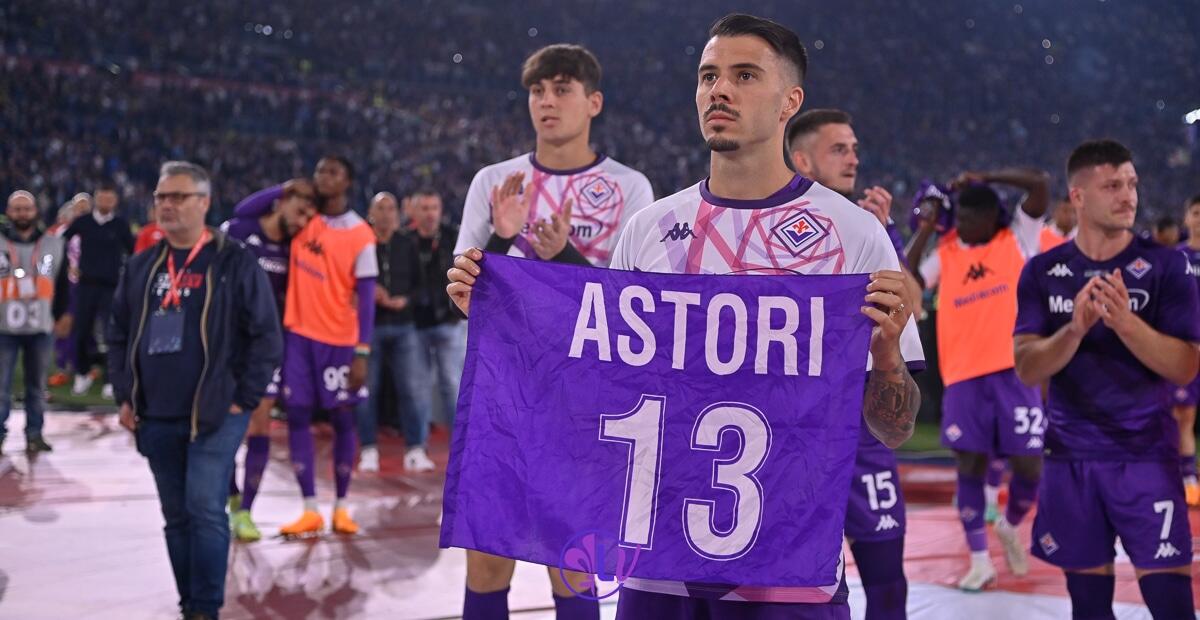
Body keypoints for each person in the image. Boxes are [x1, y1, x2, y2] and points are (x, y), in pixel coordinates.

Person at [449, 14, 924, 618]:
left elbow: (895, 428)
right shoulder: (648, 234)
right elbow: (597, 388)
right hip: (660, 565)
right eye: (708, 76)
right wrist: (507, 318)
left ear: (789, 102)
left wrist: (885, 356)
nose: (718, 90)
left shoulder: (854, 235)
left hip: (786, 570)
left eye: (745, 75)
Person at [450, 43, 655, 620]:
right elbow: (467, 298)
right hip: (504, 390)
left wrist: (561, 254)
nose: (546, 101)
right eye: (538, 90)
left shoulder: (630, 189)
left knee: (572, 565)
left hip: (582, 399)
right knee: (487, 555)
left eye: (562, 89)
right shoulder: (496, 182)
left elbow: (631, 312)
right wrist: (499, 240)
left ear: (593, 102)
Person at [1014, 140, 1198, 619]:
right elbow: (1027, 367)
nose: (1128, 195)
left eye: (1132, 183)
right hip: (1070, 460)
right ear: (1078, 196)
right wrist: (1074, 329)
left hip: (1146, 460)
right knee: (1089, 608)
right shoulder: (1042, 272)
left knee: (1172, 604)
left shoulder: (1165, 267)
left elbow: (1185, 366)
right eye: (1112, 185)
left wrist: (1126, 322)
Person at [109, 161, 281, 620]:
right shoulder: (143, 264)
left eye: (178, 197)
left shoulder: (234, 262)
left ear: (204, 203)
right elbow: (119, 333)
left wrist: (242, 398)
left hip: (215, 412)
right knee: (176, 517)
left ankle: (205, 607)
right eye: (161, 197)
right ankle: (190, 604)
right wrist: (125, 394)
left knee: (205, 508)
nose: (166, 205)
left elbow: (266, 335)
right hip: (155, 412)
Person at [787, 108, 910, 619]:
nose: (854, 157)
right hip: (792, 444)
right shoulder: (765, 237)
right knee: (796, 590)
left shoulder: (869, 235)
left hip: (862, 437)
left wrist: (887, 238)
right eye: (840, 148)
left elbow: (910, 315)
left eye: (854, 148)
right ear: (802, 159)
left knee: (887, 582)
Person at [906, 167, 1049, 590]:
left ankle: (1009, 525)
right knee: (969, 465)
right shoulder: (947, 252)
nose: (962, 224)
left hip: (1014, 372)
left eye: (970, 218)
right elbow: (910, 277)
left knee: (1030, 468)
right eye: (959, 218)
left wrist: (982, 176)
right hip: (964, 378)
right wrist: (929, 227)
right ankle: (979, 559)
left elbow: (1038, 185)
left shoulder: (1018, 239)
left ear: (992, 218)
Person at [220, 178, 317, 541]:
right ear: (281, 201)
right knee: (224, 427)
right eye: (299, 209)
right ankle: (228, 499)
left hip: (267, 348)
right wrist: (282, 188)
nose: (303, 220)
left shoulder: (298, 248)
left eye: (310, 215)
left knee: (258, 427)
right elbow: (240, 210)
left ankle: (246, 510)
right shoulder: (239, 230)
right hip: (227, 343)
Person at [0, 191, 71, 456]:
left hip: (40, 325)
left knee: (37, 386)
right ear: (8, 211)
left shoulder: (53, 243)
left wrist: (64, 314)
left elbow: (62, 285)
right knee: (0, 387)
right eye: (17, 209)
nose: (22, 214)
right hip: (3, 325)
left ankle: (34, 434)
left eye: (26, 209)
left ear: (35, 212)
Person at [357, 191, 420, 473]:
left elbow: (421, 283)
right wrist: (368, 294)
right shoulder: (360, 242)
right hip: (369, 327)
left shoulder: (407, 243)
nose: (386, 213)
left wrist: (406, 299)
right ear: (370, 213)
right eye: (380, 208)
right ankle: (368, 449)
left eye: (391, 208)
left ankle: (416, 448)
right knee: (366, 391)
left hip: (404, 324)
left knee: (411, 389)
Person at [62, 180, 134, 399]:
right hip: (86, 286)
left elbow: (133, 251)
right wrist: (69, 266)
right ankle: (82, 373)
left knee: (111, 334)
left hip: (111, 287)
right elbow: (60, 244)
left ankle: (110, 380)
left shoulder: (121, 225)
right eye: (102, 197)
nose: (106, 202)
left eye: (110, 198)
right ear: (96, 198)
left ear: (116, 201)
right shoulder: (82, 222)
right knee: (82, 331)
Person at [407, 190, 463, 467]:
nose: (430, 213)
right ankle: (417, 447)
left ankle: (460, 447)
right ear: (414, 212)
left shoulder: (453, 237)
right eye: (424, 207)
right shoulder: (405, 241)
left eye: (434, 207)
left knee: (452, 385)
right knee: (417, 388)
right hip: (414, 324)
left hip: (447, 322)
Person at [1173, 193, 1200, 506]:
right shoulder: (1176, 259)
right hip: (1186, 351)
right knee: (1183, 416)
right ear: (1186, 219)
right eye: (1195, 213)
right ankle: (1188, 478)